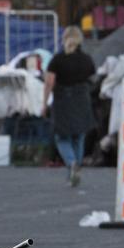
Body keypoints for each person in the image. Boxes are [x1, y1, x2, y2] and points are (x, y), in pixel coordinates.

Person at [43, 26, 95, 186]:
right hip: (82, 99)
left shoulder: (57, 59)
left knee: (61, 136)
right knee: (78, 136)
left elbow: (49, 82)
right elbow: (93, 76)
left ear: (63, 39)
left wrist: (44, 102)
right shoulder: (87, 59)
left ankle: (71, 163)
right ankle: (76, 168)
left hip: (63, 100)